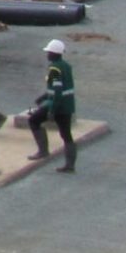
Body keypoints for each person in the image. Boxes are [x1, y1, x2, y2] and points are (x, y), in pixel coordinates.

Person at [26, 37, 77, 173]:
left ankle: (43, 151)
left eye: (49, 52)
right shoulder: (65, 66)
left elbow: (57, 90)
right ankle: (70, 165)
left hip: (57, 105)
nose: (47, 54)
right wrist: (43, 97)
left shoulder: (54, 69)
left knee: (33, 120)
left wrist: (52, 110)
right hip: (67, 105)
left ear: (54, 54)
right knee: (66, 134)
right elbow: (61, 87)